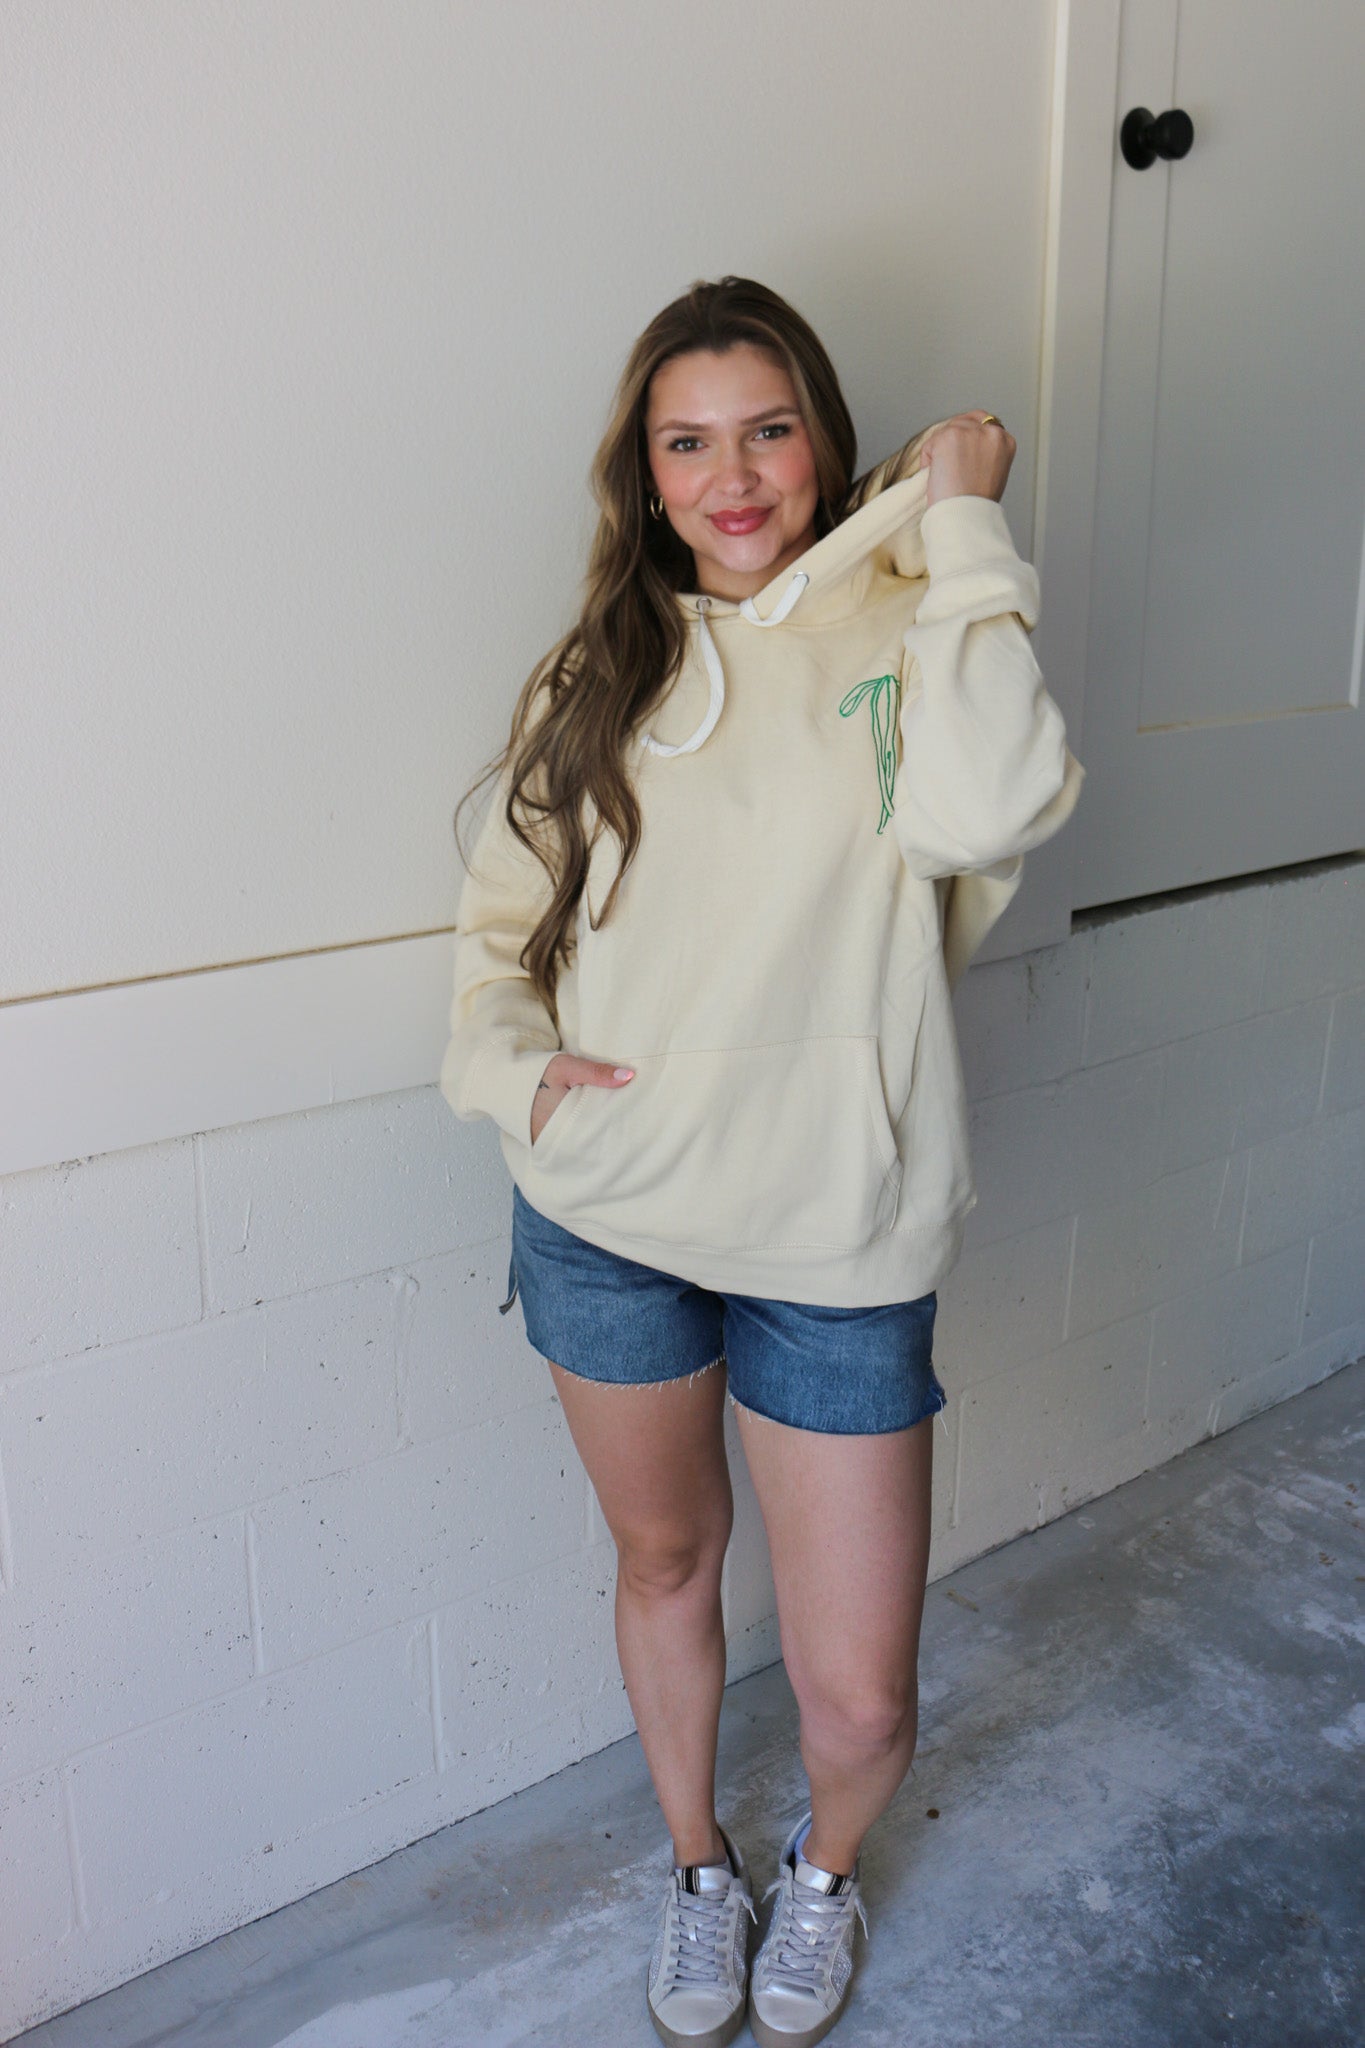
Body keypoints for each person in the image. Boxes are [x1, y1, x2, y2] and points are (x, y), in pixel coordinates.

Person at [440, 275, 1083, 2048]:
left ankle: (820, 1872)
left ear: (823, 439)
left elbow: (990, 807)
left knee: (857, 1697)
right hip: (608, 1218)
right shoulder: (598, 672)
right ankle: (696, 1868)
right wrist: (526, 1080)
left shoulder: (915, 619)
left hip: (837, 1229)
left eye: (768, 430)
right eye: (687, 444)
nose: (732, 478)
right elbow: (493, 946)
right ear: (644, 477)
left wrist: (964, 524)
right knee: (666, 1563)